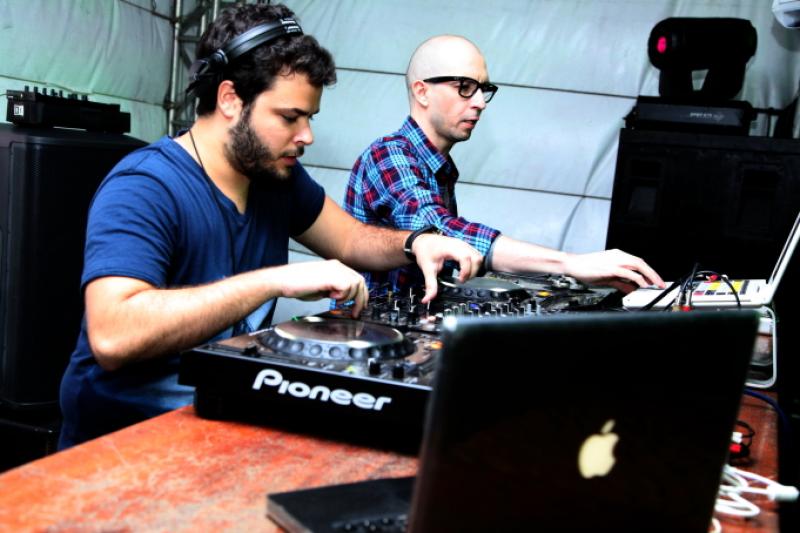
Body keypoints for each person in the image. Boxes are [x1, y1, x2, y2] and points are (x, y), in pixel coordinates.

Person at [58, 6, 482, 449]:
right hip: (124, 448)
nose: (306, 136)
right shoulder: (145, 186)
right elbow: (113, 335)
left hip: (223, 426)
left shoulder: (274, 177)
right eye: (289, 117)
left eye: (310, 118)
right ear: (230, 99)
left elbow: (350, 239)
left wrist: (416, 243)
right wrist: (275, 280)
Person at [344, 35, 664, 295]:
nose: (480, 103)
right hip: (369, 337)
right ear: (422, 91)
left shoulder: (436, 165)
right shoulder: (388, 156)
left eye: (483, 89)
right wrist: (569, 263)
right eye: (464, 87)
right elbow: (441, 234)